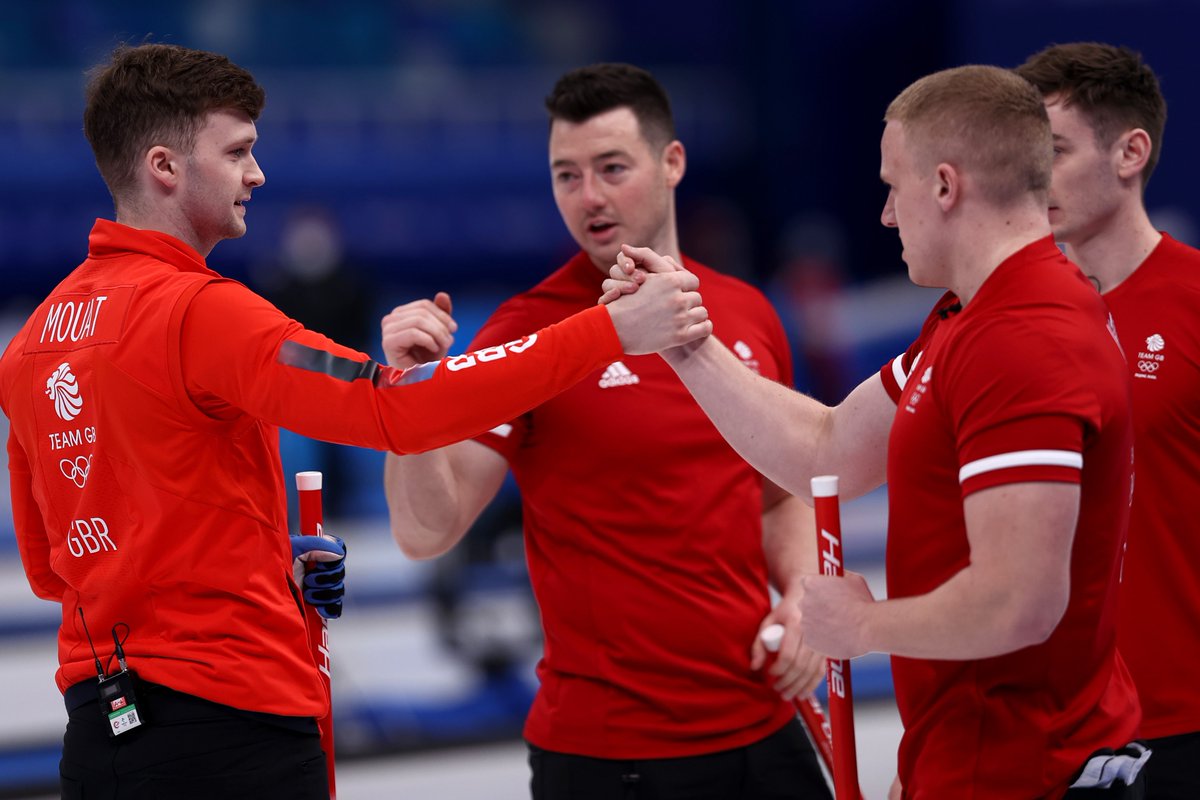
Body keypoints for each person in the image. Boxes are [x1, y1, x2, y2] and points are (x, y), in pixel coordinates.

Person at [0, 44, 708, 799]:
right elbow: (393, 409)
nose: (256, 174)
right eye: (238, 151)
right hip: (231, 728)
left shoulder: (32, 343)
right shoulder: (199, 313)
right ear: (166, 167)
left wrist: (262, 561)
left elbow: (54, 565)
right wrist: (610, 332)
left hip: (100, 731)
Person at [604, 64, 1146, 798]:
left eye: (894, 186)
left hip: (1028, 769)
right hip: (978, 760)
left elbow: (1019, 602)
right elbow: (826, 450)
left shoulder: (1025, 339)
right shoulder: (970, 319)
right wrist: (686, 342)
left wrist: (865, 625)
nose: (887, 215)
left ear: (946, 187)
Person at [381, 63, 831, 799]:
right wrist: (407, 393)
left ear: (672, 163)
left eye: (612, 168)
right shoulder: (529, 332)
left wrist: (807, 595)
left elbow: (782, 499)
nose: (588, 197)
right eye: (566, 175)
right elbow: (424, 533)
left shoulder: (747, 312)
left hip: (766, 727)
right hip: (610, 757)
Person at [1016, 42, 1200, 799]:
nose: (1032, 178)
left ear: (1130, 153)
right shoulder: (995, 318)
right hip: (1043, 729)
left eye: (1052, 152)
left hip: (1181, 722)